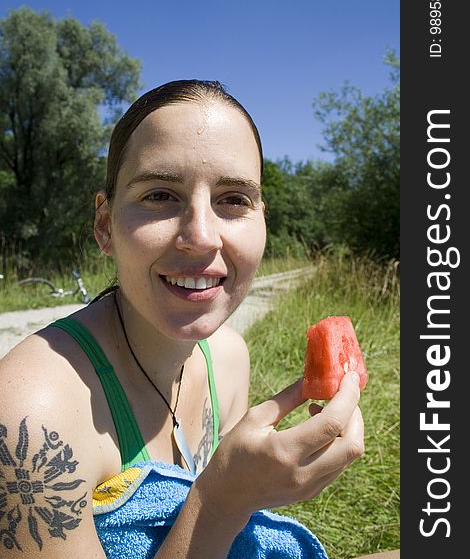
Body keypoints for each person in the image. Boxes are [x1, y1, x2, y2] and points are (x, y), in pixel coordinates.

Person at [0, 80, 364, 558]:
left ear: (262, 221)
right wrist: (221, 501)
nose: (201, 236)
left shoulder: (229, 359)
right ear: (105, 224)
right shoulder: (28, 414)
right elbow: (215, 514)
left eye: (234, 199)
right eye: (159, 195)